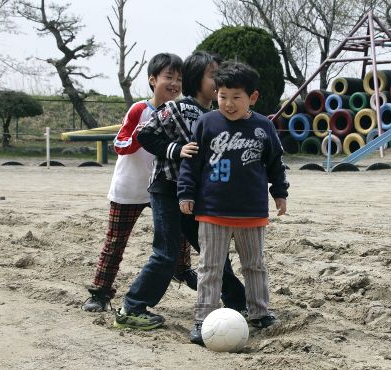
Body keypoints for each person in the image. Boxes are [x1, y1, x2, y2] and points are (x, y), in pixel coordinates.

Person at [114, 51, 247, 330]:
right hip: (166, 189)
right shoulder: (178, 108)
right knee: (166, 252)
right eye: (214, 75)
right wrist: (176, 150)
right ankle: (132, 308)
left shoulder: (215, 116)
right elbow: (145, 134)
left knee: (214, 251)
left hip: (195, 196)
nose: (219, 80)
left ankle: (237, 304)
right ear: (197, 78)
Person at [177, 61, 289, 345]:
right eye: (222, 96)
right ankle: (203, 318)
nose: (228, 103)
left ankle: (260, 312)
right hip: (212, 211)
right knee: (210, 267)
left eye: (236, 97)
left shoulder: (263, 127)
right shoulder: (206, 123)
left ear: (252, 97)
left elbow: (276, 163)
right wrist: (186, 193)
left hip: (251, 212)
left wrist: (280, 192)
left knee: (254, 265)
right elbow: (191, 163)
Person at [82, 53, 188, 312]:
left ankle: (182, 270)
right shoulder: (140, 110)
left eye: (179, 79)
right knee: (116, 241)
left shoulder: (181, 112)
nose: (174, 84)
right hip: (130, 187)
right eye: (168, 77)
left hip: (163, 187)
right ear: (153, 80)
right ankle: (100, 292)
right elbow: (120, 143)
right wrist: (142, 137)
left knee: (180, 234)